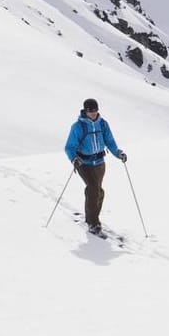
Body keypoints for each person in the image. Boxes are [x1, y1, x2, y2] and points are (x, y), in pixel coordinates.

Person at [64, 98, 126, 236]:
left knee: (98, 192)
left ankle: (90, 217)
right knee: (93, 189)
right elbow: (69, 147)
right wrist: (74, 159)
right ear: (85, 111)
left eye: (95, 110)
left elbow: (110, 141)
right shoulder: (78, 127)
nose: (93, 113)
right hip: (83, 163)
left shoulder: (103, 124)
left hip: (99, 163)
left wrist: (118, 153)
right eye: (90, 111)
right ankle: (93, 223)